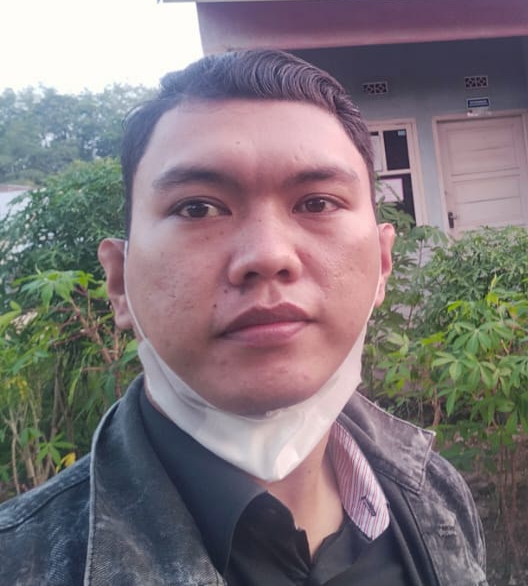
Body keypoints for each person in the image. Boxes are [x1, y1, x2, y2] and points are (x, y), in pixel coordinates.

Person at [0, 50, 488, 585]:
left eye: (318, 203)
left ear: (382, 264)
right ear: (119, 282)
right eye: (197, 208)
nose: (268, 255)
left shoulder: (436, 494)